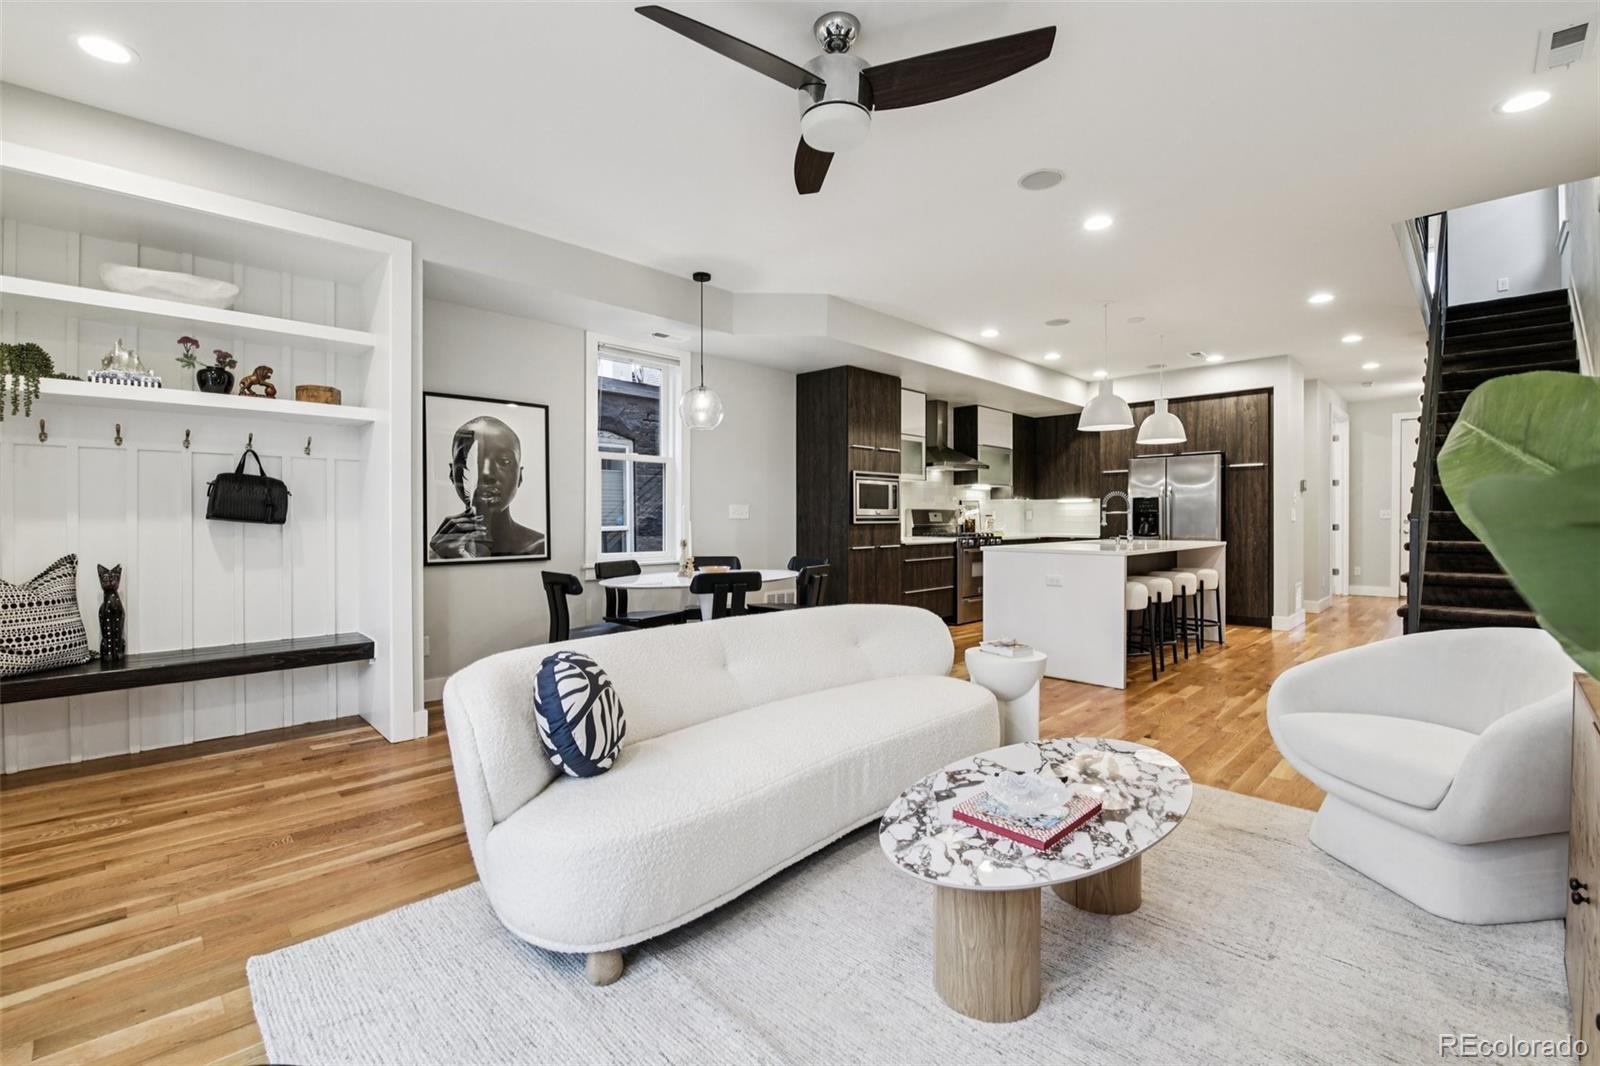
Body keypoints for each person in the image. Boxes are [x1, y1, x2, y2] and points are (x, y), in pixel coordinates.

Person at [429, 416, 546, 559]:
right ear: (452, 473)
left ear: (519, 476)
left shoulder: (540, 548)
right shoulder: (437, 553)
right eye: (468, 461)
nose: (486, 473)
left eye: (504, 461)